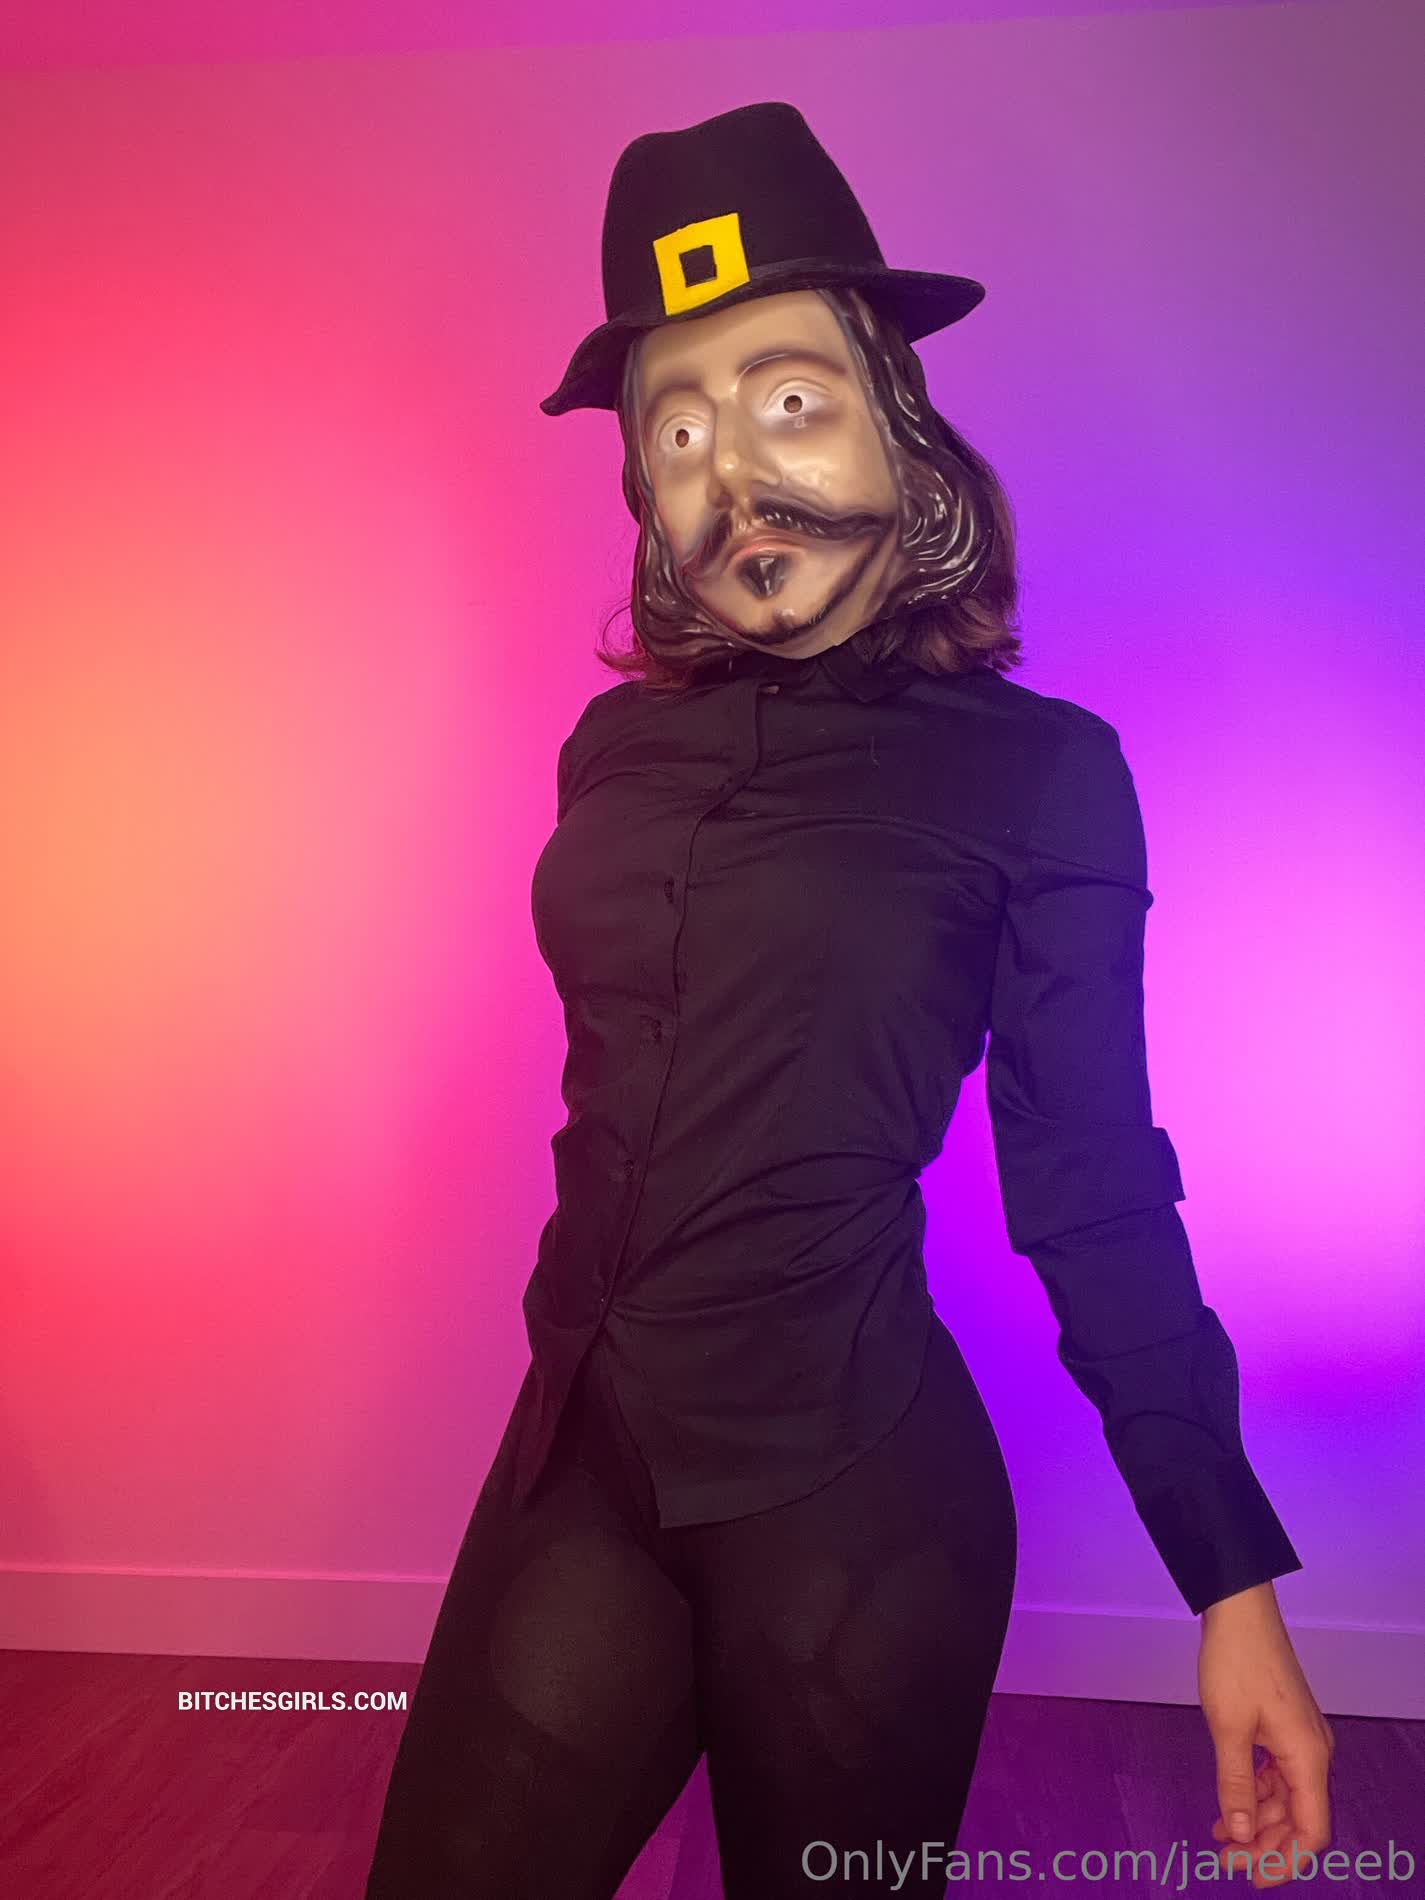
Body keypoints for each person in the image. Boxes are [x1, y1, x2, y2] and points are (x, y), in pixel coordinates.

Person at [363, 102, 1333, 1898]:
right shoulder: (610, 750)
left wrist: (1229, 1587)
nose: (732, 471)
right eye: (676, 429)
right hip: (579, 1461)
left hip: (852, 1511)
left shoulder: (1042, 775)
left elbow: (1091, 1189)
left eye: (788, 397)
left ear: (900, 418)